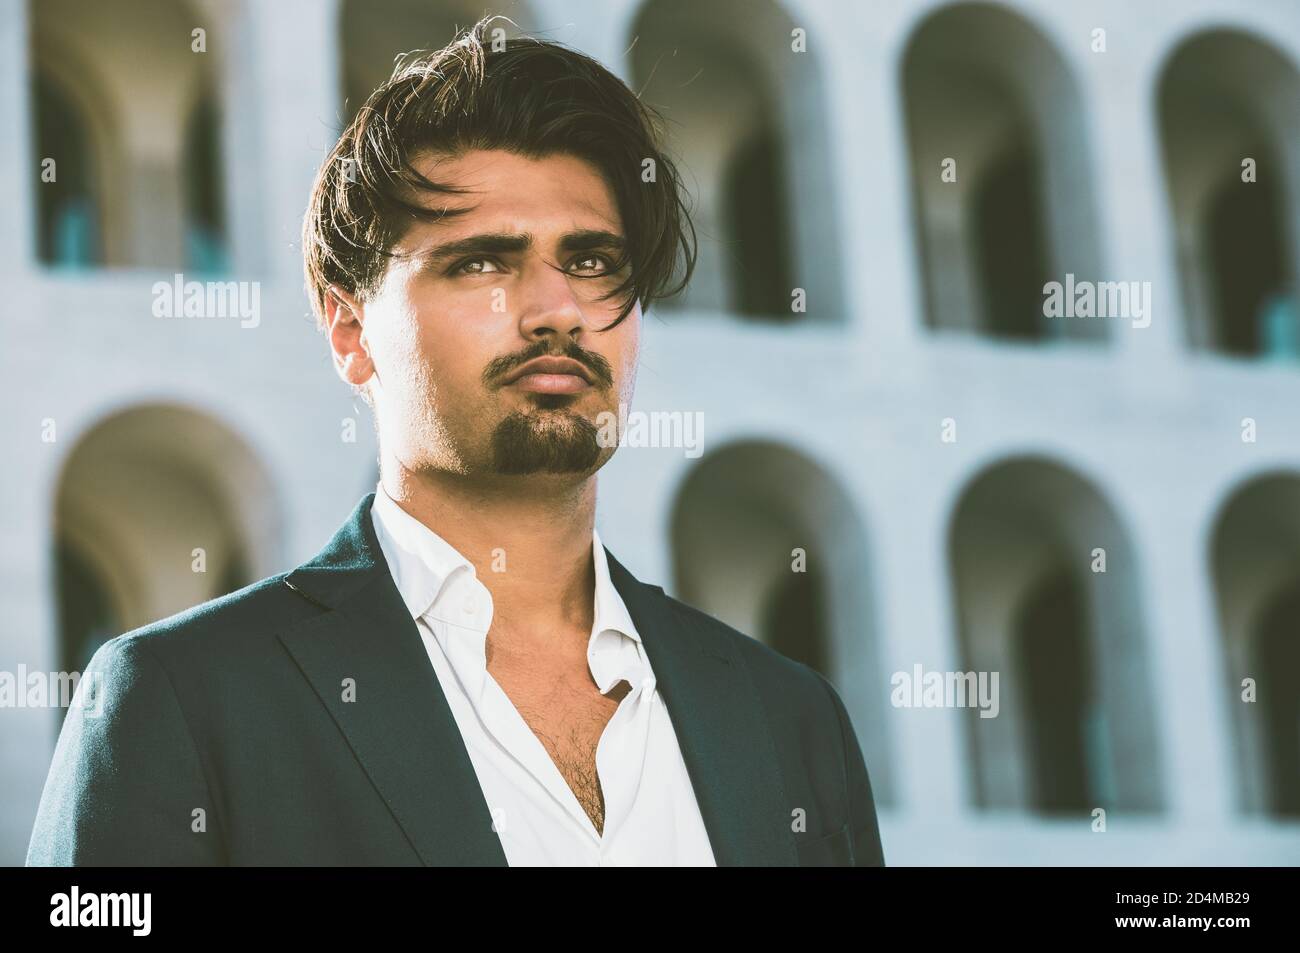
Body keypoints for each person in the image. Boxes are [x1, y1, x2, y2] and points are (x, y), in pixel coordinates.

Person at [26, 17, 884, 867]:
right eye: (482, 263)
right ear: (351, 328)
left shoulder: (790, 720)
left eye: (591, 261)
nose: (557, 309)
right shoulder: (182, 702)